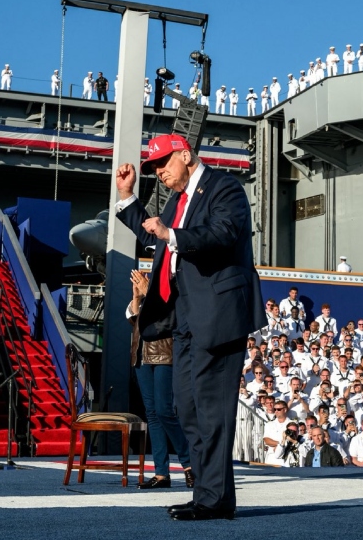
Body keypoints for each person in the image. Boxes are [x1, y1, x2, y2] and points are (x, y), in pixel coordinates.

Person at [114, 132, 260, 521]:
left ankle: (214, 499)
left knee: (211, 409)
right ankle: (207, 494)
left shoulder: (224, 187)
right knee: (186, 407)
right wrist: (128, 197)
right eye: (154, 168)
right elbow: (156, 238)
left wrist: (172, 234)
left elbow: (224, 232)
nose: (159, 172)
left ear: (185, 155)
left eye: (163, 164)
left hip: (218, 313)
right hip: (185, 317)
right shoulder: (177, 201)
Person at [129, 270, 193, 489]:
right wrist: (138, 297)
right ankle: (161, 473)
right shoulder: (148, 290)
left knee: (164, 410)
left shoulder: (174, 285)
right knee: (152, 414)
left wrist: (151, 294)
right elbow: (136, 322)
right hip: (140, 354)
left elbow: (172, 319)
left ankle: (189, 463)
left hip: (164, 353)